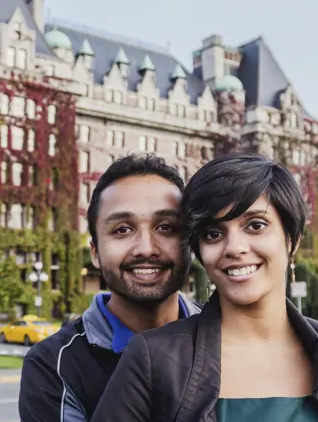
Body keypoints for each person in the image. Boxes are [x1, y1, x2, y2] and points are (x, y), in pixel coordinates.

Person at [91, 153, 318, 422]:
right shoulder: (153, 358)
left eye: (256, 225)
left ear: (290, 240)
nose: (234, 248)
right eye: (213, 233)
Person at [18, 153, 201, 421]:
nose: (146, 248)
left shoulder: (224, 336)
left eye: (166, 227)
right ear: (95, 252)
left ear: (190, 243)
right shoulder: (53, 365)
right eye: (122, 230)